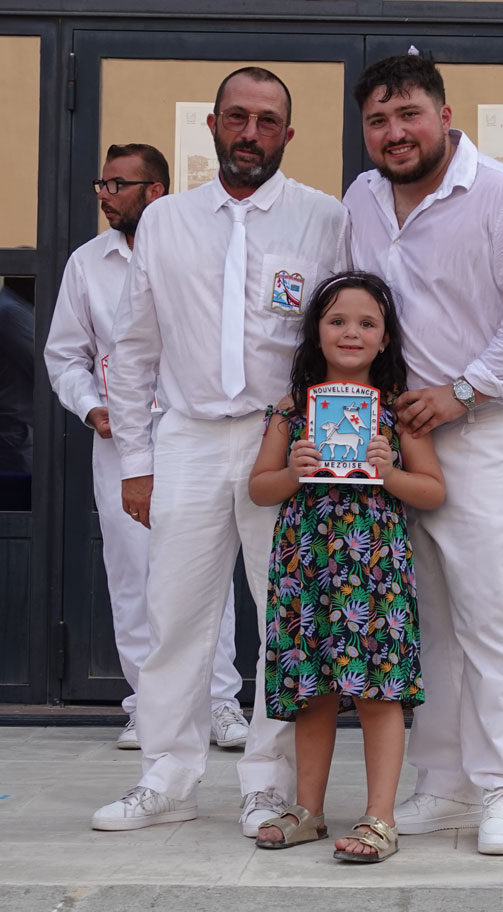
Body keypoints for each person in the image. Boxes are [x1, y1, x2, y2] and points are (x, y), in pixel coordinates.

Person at [91, 68, 351, 833]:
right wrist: (136, 463)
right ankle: (167, 778)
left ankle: (268, 783)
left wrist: (332, 444)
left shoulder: (323, 217)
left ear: (288, 134)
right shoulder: (166, 221)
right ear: (212, 125)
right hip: (189, 438)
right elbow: (134, 350)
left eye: (267, 122)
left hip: (286, 444)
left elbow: (344, 334)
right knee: (175, 616)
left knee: (286, 619)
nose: (250, 133)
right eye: (237, 118)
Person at [344, 53, 503, 855]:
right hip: (400, 436)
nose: (394, 132)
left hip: (486, 429)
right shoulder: (363, 198)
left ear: (444, 115)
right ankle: (443, 783)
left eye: (408, 114)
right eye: (378, 120)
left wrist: (463, 391)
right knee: (429, 619)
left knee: (491, 612)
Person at [45, 143, 249, 753]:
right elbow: (65, 355)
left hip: (192, 432)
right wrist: (91, 407)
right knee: (132, 573)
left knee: (206, 567)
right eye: (101, 184)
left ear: (154, 191)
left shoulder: (196, 245)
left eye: (117, 185)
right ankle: (146, 707)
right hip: (121, 441)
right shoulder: (87, 263)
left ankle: (219, 702)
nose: (104, 195)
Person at [248, 272, 445, 861]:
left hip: (374, 566)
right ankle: (307, 809)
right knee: (312, 690)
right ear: (316, 332)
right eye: (337, 321)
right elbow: (259, 487)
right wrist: (293, 471)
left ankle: (380, 818)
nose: (351, 333)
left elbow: (433, 490)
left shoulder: (399, 411)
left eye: (366, 323)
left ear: (385, 338)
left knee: (378, 690)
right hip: (306, 564)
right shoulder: (291, 409)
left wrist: (390, 473)